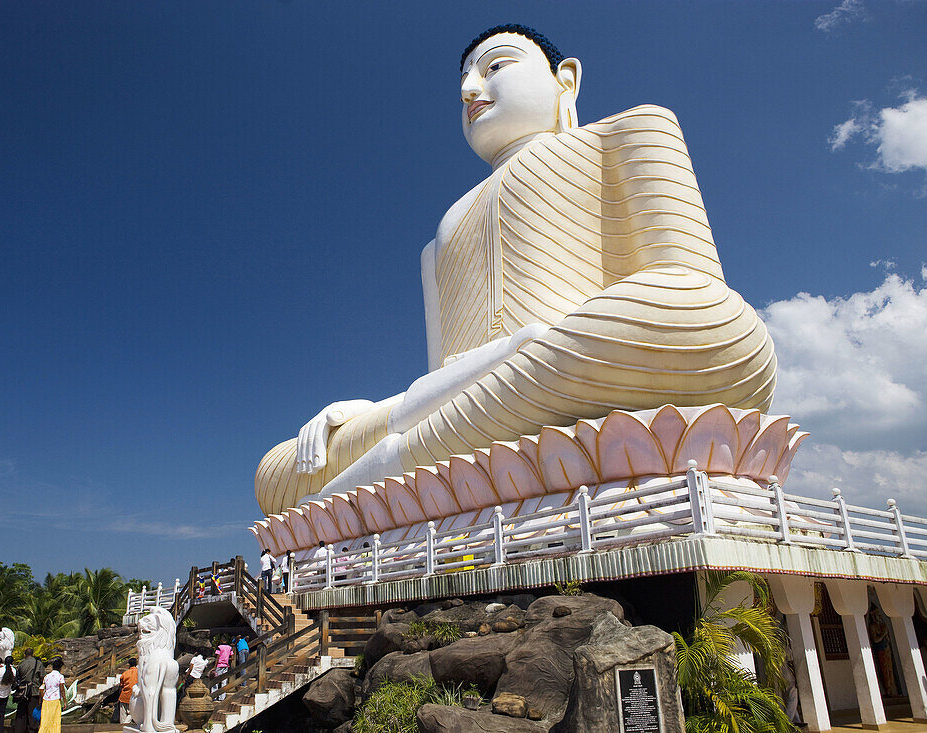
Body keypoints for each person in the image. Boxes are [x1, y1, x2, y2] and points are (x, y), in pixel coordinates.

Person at [252, 24, 777, 519]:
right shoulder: (440, 236)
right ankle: (387, 465)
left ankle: (366, 486)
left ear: (564, 80)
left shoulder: (626, 131)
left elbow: (693, 290)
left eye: (495, 67)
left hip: (592, 359)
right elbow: (442, 380)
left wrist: (534, 349)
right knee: (274, 473)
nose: (470, 91)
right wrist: (370, 413)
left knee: (714, 323)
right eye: (463, 82)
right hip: (496, 400)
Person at [12, 648, 44, 733]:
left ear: (24, 654)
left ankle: (19, 729)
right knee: (32, 713)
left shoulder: (21, 663)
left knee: (21, 713)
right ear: (33, 654)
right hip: (34, 691)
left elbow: (18, 676)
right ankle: (32, 730)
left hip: (22, 691)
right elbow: (42, 677)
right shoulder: (38, 663)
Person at [39, 658, 66, 733]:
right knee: (55, 720)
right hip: (55, 700)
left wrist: (43, 696)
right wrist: (64, 701)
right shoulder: (60, 677)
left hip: (46, 701)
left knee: (45, 719)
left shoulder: (47, 676)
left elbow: (41, 688)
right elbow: (62, 690)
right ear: (60, 667)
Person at [117, 657, 137, 724]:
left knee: (123, 716)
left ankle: (123, 726)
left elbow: (121, 686)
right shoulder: (139, 673)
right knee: (132, 713)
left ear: (129, 664)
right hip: (134, 697)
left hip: (124, 696)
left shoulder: (125, 673)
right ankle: (126, 724)